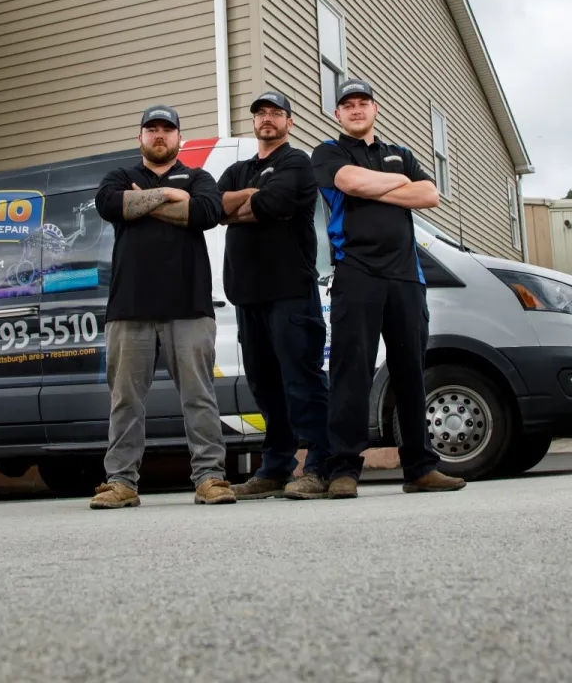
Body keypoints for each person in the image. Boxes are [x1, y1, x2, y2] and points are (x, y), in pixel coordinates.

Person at [311, 79, 466, 499]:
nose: (356, 109)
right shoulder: (328, 152)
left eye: (363, 103)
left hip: (406, 278)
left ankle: (420, 468)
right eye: (348, 105)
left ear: (375, 109)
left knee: (411, 374)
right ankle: (343, 468)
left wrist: (379, 184)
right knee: (350, 374)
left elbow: (430, 194)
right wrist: (399, 188)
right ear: (338, 114)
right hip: (356, 273)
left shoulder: (403, 153)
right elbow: (349, 183)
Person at [90, 104, 235, 508]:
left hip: (188, 306)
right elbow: (109, 204)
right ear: (140, 137)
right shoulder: (120, 177)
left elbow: (208, 211)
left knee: (199, 396)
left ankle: (210, 478)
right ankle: (121, 482)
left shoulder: (199, 177)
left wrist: (148, 202)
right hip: (129, 308)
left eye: (166, 130)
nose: (159, 135)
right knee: (125, 401)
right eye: (151, 129)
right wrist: (172, 197)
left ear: (178, 138)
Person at [218, 90, 330, 500]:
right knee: (265, 386)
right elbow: (214, 208)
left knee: (301, 381)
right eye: (261, 113)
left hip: (291, 293)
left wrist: (245, 206)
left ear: (289, 122)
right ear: (253, 122)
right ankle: (277, 466)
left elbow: (279, 200)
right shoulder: (237, 169)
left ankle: (320, 465)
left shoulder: (296, 162)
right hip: (248, 295)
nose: (267, 119)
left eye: (276, 113)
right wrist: (252, 201)